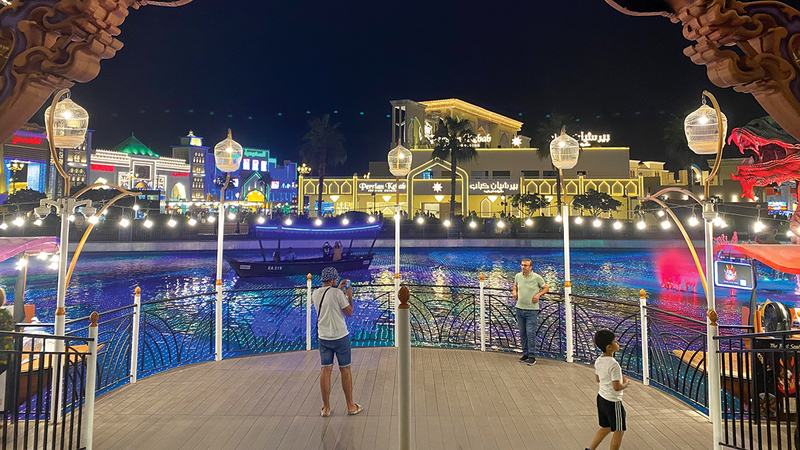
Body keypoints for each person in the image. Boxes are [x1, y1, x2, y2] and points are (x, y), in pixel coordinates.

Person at [313, 267, 362, 417]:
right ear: (332, 280)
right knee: (345, 370)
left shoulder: (315, 293)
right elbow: (350, 312)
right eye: (335, 279)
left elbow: (329, 299)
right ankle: (350, 406)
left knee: (325, 371)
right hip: (340, 337)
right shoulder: (338, 294)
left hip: (324, 337)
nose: (336, 281)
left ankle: (326, 408)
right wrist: (349, 296)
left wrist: (338, 289)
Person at [586, 329, 630, 450]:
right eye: (615, 341)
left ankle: (591, 448)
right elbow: (617, 387)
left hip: (601, 398)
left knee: (606, 427)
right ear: (609, 347)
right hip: (613, 402)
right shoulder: (614, 365)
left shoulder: (599, 360)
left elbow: (598, 379)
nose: (618, 343)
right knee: (619, 430)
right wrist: (625, 383)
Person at [512, 257, 549, 366]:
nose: (523, 267)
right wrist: (514, 291)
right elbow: (515, 285)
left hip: (531, 310)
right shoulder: (518, 276)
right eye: (522, 265)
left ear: (530, 267)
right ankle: (525, 353)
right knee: (522, 332)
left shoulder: (537, 277)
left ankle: (532, 356)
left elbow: (546, 288)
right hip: (519, 308)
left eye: (525, 265)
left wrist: (538, 295)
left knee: (530, 332)